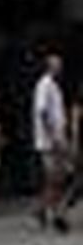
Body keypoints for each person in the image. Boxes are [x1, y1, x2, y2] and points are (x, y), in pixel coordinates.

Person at [30, 51, 72, 232]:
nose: (60, 67)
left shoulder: (53, 85)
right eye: (57, 64)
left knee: (56, 178)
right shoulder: (44, 84)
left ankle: (41, 210)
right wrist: (54, 137)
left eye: (60, 64)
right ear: (50, 66)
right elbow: (43, 112)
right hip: (50, 141)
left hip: (57, 137)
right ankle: (57, 215)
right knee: (56, 177)